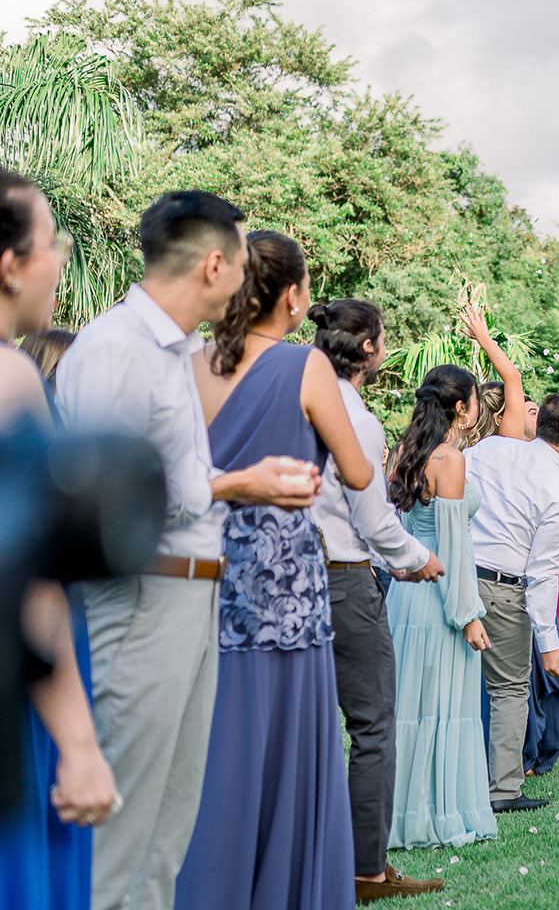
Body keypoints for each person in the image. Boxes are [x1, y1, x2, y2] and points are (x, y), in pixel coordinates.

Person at [56, 192, 321, 910]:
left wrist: (238, 486)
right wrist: (241, 481)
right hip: (144, 596)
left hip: (193, 594)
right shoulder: (116, 350)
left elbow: (169, 476)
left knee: (168, 826)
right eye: (241, 258)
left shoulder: (174, 354)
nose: (247, 273)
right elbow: (109, 493)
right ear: (212, 265)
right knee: (123, 826)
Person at [173, 230, 373, 910]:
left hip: (207, 577)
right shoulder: (305, 368)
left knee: (215, 746)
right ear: (291, 296)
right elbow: (357, 470)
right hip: (285, 589)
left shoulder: (193, 364)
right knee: (289, 752)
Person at [0, 169, 114, 910]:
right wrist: (76, 741)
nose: (60, 260)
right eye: (54, 243)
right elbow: (26, 577)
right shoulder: (10, 378)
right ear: (10, 263)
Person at [307, 298, 446, 901]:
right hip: (343, 579)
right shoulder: (356, 419)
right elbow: (371, 518)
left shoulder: (292, 405)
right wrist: (417, 560)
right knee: (372, 726)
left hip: (292, 578)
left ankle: (311, 853)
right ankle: (367, 869)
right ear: (368, 349)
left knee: (308, 726)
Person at [385, 362, 497, 850]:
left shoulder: (404, 452)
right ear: (460, 407)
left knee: (409, 709)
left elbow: (397, 534)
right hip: (440, 601)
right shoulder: (448, 459)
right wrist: (468, 615)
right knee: (442, 709)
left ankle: (403, 816)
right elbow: (454, 546)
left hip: (405, 597)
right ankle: (437, 814)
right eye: (474, 400)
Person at [465, 393, 559, 813]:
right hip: (501, 589)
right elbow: (542, 575)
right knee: (510, 689)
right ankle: (503, 790)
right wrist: (549, 645)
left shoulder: (491, 449)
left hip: (456, 578)